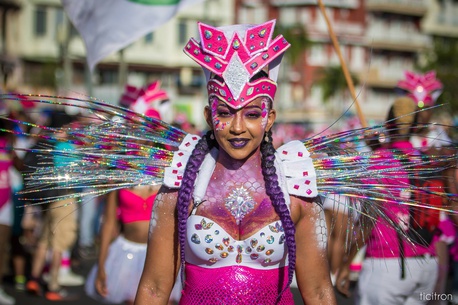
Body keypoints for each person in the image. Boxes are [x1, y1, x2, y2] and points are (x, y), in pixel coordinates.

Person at [134, 20, 336, 305]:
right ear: (208, 116)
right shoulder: (181, 187)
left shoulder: (296, 186)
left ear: (270, 119)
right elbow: (154, 287)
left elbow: (317, 290)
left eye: (252, 114)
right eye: (226, 113)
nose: (237, 127)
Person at [336, 96, 440, 305]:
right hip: (427, 266)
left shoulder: (381, 161)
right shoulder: (426, 159)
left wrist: (346, 264)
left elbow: (368, 219)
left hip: (388, 268)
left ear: (388, 125)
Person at [25, 111, 80, 301]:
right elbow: (76, 177)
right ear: (64, 127)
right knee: (59, 244)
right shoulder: (67, 148)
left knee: (44, 239)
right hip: (64, 198)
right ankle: (53, 285)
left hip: (47, 198)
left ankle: (33, 278)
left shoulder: (43, 145)